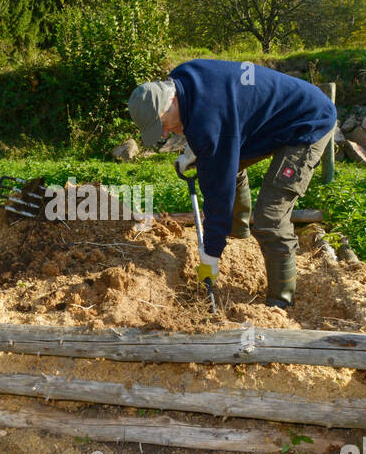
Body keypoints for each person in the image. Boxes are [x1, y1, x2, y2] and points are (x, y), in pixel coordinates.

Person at [128, 59, 337, 308]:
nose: (163, 134)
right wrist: (194, 152)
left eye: (162, 124)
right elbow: (216, 136)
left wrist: (211, 254)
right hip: (267, 122)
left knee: (270, 217)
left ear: (172, 101)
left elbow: (219, 191)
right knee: (227, 165)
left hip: (308, 121)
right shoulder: (182, 78)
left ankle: (281, 301)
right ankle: (238, 231)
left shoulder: (209, 120)